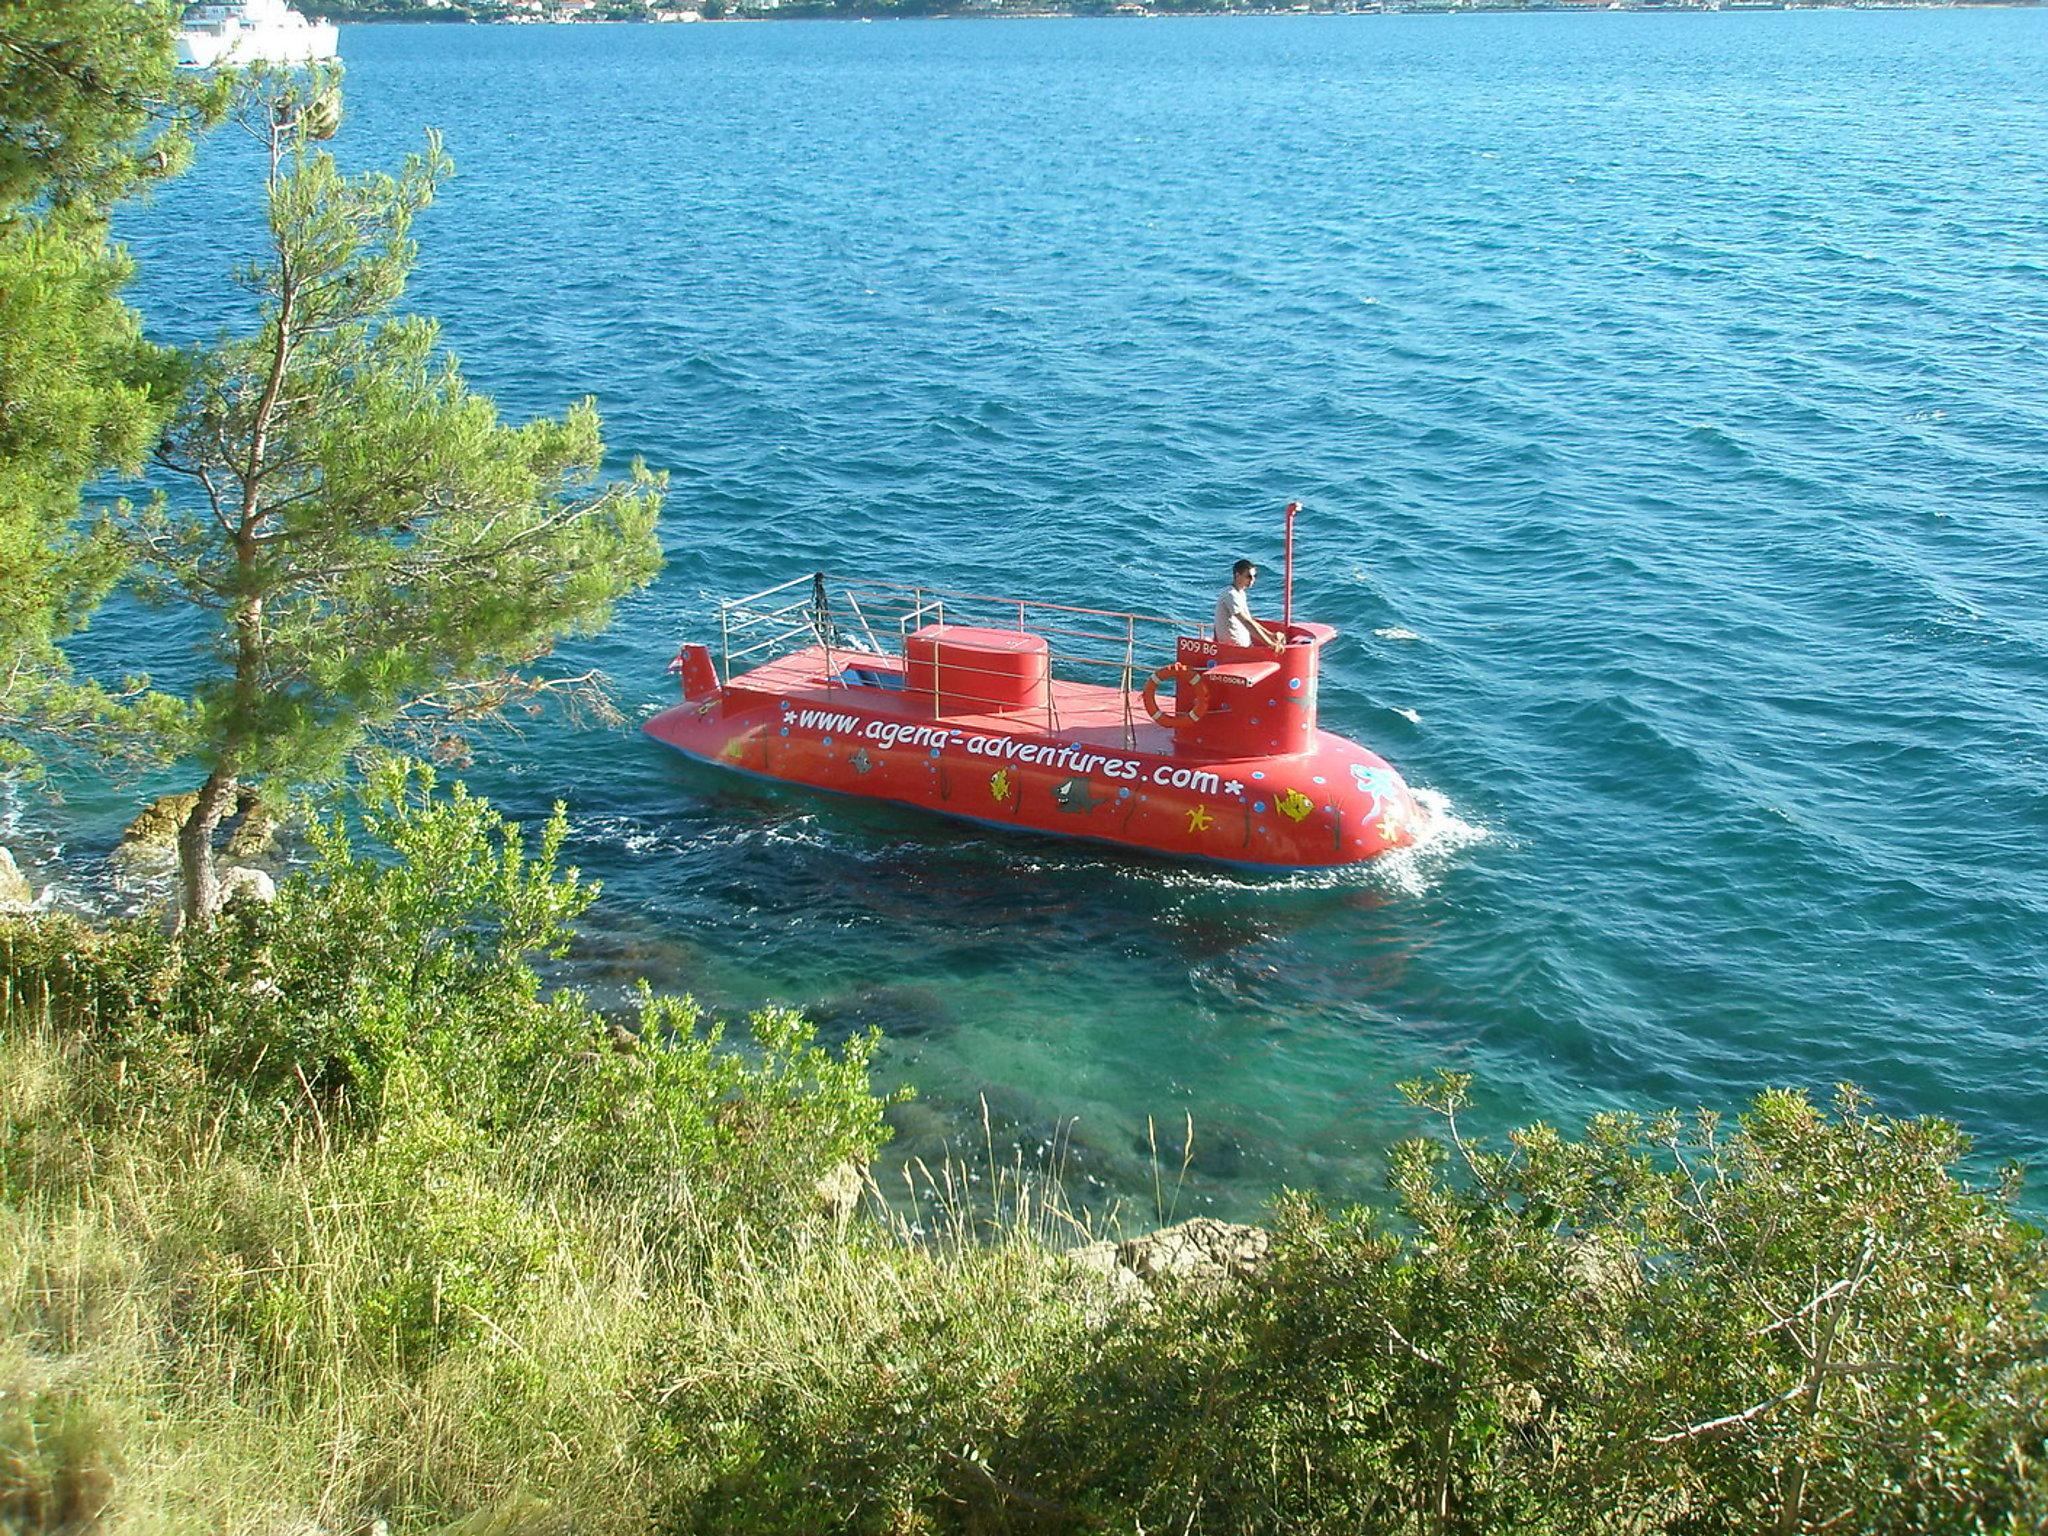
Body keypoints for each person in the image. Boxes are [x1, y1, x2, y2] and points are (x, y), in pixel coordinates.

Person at [1215, 559, 1285, 650]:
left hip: (1243, 647)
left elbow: (1250, 620)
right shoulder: (1231, 595)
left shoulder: (1240, 593)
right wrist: (1270, 644)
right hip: (1234, 649)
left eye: (1254, 576)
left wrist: (1270, 635)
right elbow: (1246, 622)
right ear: (1237, 575)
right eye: (1248, 576)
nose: (1252, 580)